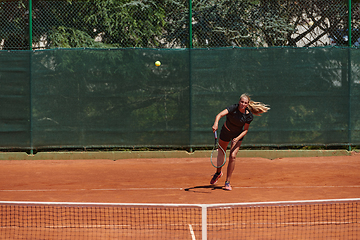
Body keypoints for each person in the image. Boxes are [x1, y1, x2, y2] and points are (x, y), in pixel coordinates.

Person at [210, 93, 270, 190]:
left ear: (247, 104)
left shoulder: (249, 116)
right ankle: (218, 173)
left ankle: (227, 182)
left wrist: (237, 138)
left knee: (233, 156)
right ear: (239, 102)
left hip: (238, 135)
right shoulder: (233, 108)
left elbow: (245, 130)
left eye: (245, 103)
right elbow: (220, 115)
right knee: (221, 152)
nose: (243, 104)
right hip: (225, 132)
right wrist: (216, 123)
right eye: (241, 102)